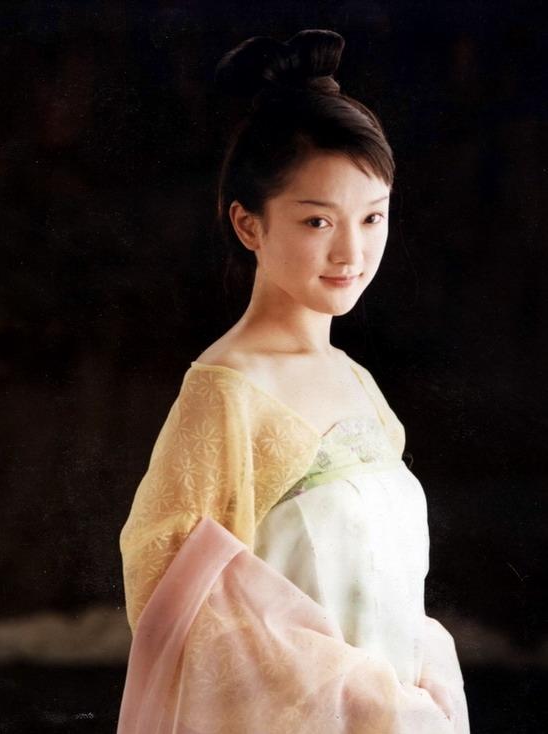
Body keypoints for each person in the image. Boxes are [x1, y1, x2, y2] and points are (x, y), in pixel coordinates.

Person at [116, 29, 470, 733]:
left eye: (373, 216)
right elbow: (169, 601)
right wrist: (366, 698)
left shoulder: (358, 383)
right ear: (248, 225)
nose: (352, 251)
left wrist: (422, 667)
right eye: (316, 221)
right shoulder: (228, 390)